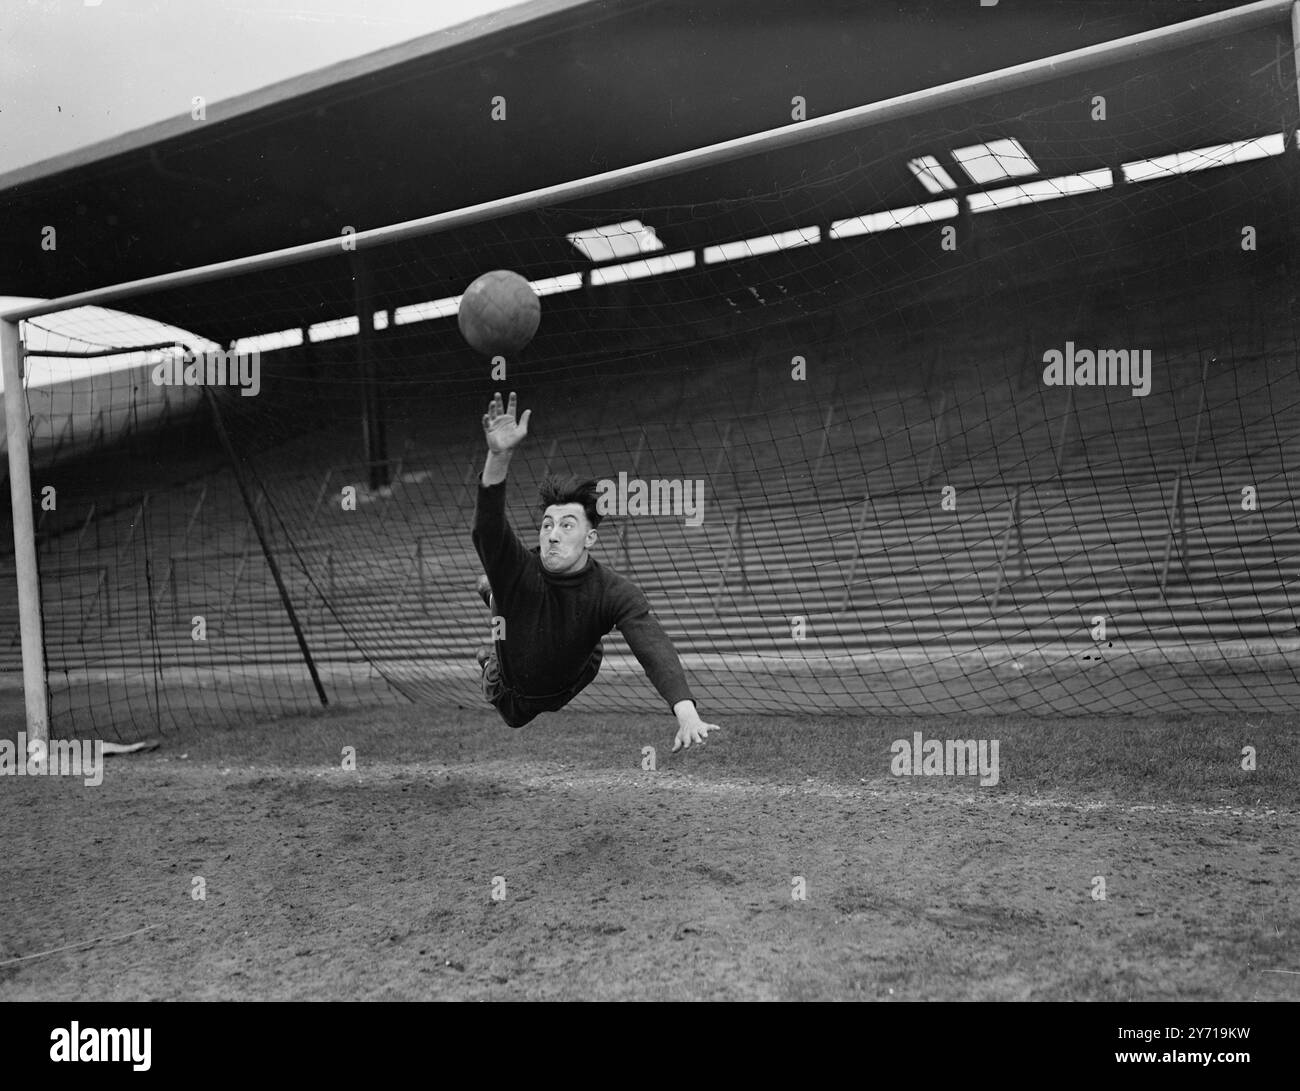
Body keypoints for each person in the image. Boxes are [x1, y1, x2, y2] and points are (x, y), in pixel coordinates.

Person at [471, 391, 719, 752]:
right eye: (546, 525)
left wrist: (686, 712)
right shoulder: (522, 568)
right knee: (513, 711)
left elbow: (652, 644)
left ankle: (494, 594)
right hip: (508, 682)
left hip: (564, 677)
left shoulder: (612, 591)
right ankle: (494, 602)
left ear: (590, 538)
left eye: (567, 526)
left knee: (579, 640)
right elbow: (487, 530)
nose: (553, 535)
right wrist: (498, 456)